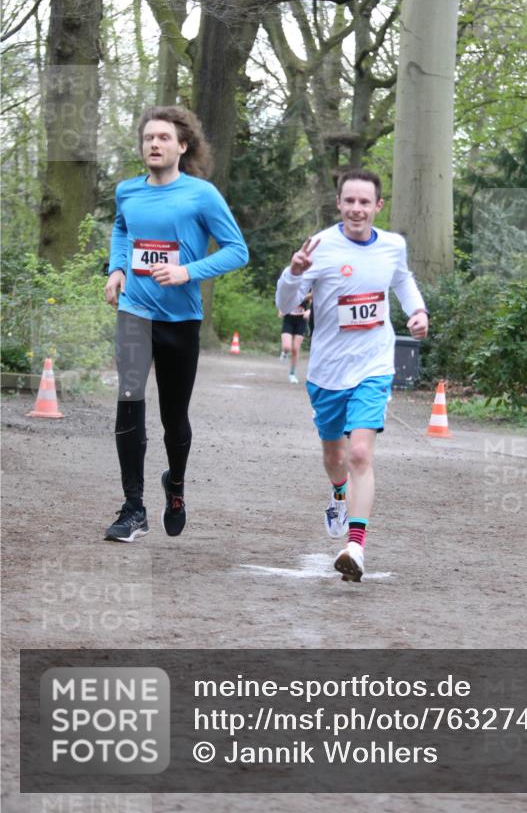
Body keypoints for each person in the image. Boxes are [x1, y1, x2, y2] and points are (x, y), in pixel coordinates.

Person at [103, 105, 248, 542]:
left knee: (174, 417)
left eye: (164, 137)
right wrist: (117, 268)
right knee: (129, 401)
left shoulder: (201, 195)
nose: (154, 144)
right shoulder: (127, 191)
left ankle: (176, 486)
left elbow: (237, 250)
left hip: (180, 319)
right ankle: (133, 508)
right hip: (134, 312)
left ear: (182, 146)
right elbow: (122, 229)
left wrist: (189, 271)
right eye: (149, 138)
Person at [275, 169, 428, 582]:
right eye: (350, 201)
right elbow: (285, 303)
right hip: (327, 371)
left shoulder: (393, 246)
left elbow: (402, 280)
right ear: (339, 203)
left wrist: (418, 311)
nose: (357, 209)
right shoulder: (320, 246)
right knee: (335, 457)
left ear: (378, 206)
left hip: (374, 365)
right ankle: (339, 493)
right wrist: (293, 272)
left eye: (365, 202)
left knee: (360, 452)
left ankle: (355, 547)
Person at [278, 294, 311, 383]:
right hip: (288, 320)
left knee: (295, 349)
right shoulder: (290, 288)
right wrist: (281, 310)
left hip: (301, 322)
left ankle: (292, 373)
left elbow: (313, 303)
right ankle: (284, 353)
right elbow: (281, 300)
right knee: (287, 347)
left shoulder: (307, 290)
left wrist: (309, 311)